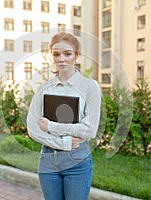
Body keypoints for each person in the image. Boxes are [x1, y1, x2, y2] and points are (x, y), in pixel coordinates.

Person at [26, 32, 101, 200]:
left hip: (77, 161)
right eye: (56, 54)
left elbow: (89, 130)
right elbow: (32, 128)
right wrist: (63, 142)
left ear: (77, 55)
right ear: (52, 56)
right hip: (48, 160)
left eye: (67, 54)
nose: (62, 59)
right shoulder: (44, 89)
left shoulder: (90, 87)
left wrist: (51, 127)